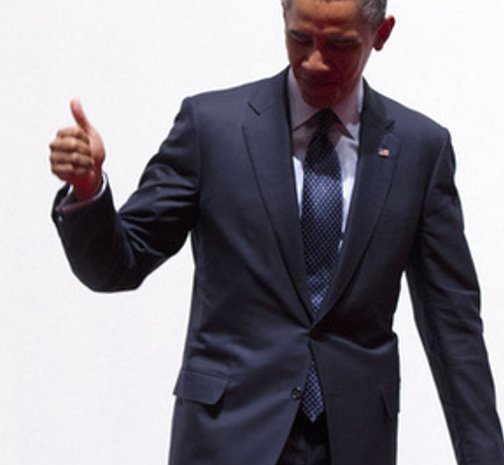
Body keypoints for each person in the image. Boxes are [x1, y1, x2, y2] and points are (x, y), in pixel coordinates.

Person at [48, 0, 504, 464]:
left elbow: (453, 328)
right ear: (283, 17)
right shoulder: (213, 128)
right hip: (227, 437)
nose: (314, 62)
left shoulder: (421, 149)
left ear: (381, 34)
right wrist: (88, 192)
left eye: (339, 45)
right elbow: (117, 266)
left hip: (355, 442)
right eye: (299, 38)